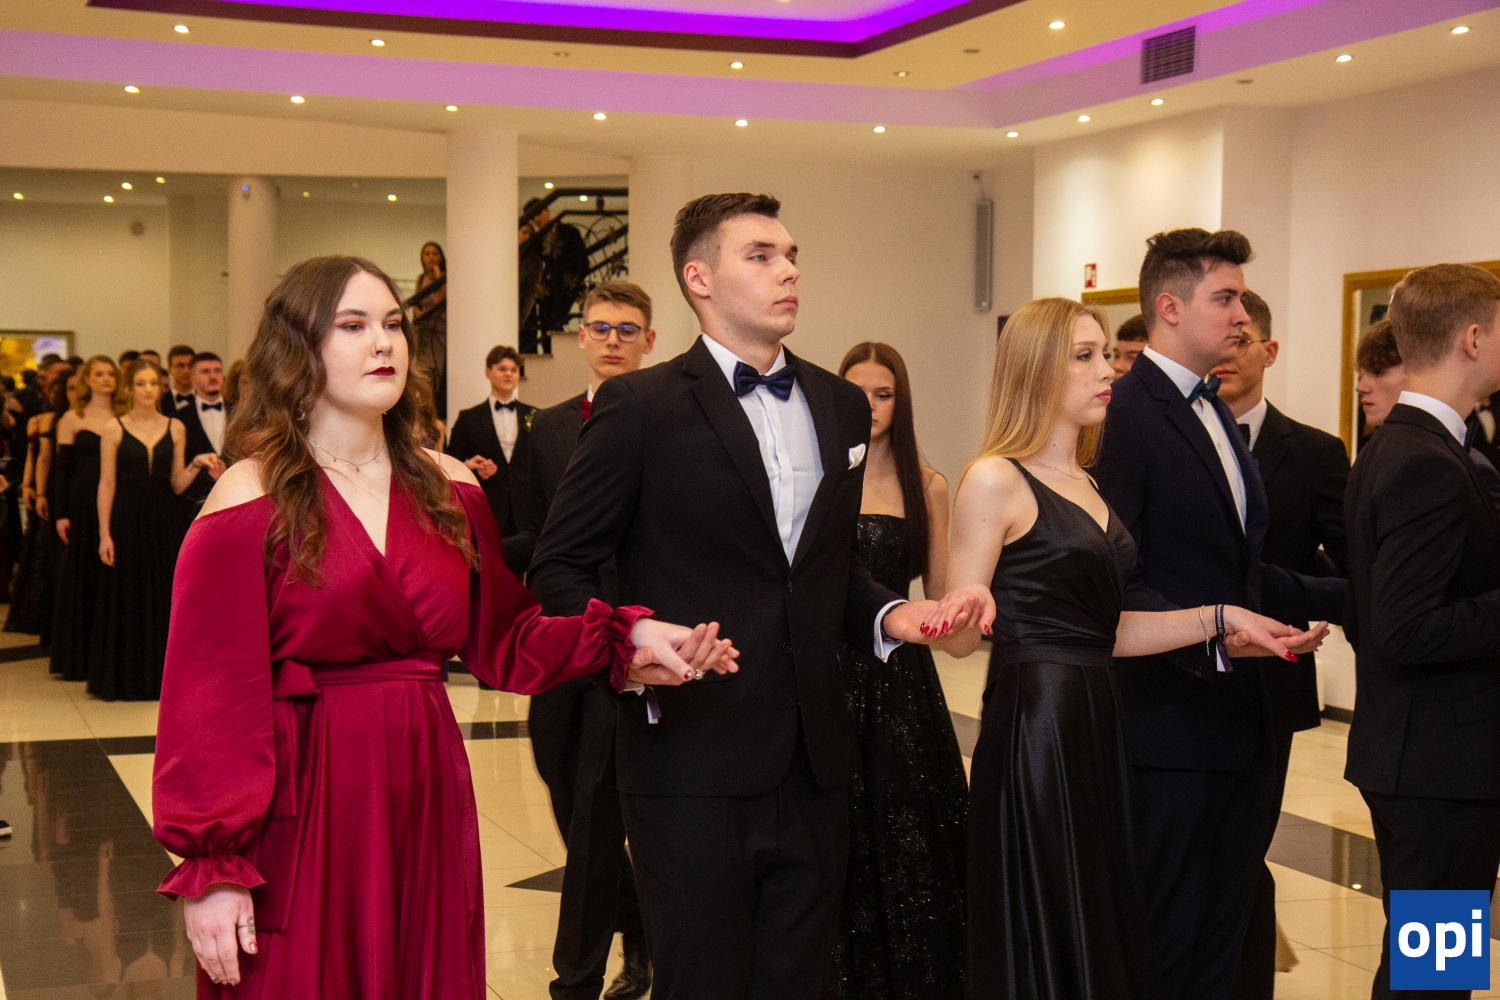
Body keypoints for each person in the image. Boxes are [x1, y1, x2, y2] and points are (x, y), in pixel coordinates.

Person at [149, 254, 739, 997]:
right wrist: (213, 868)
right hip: (308, 792)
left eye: (393, 324)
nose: (384, 343)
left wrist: (627, 639)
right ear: (298, 348)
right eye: (353, 325)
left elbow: (507, 638)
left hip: (423, 781)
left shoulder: (449, 486)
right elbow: (208, 696)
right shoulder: (249, 494)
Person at [529, 192, 987, 1000]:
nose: (789, 271)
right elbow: (559, 568)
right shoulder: (640, 408)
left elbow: (823, 570)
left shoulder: (839, 405)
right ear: (699, 278)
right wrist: (632, 642)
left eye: (792, 255)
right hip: (691, 757)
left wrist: (893, 613)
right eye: (762, 256)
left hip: (816, 760)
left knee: (801, 982)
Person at [939, 296, 1322, 1000]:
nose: (1106, 370)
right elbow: (961, 639)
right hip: (1038, 724)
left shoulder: (1087, 481)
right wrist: (961, 610)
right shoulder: (996, 477)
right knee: (1047, 904)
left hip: (1097, 713)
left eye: (1104, 354)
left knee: (1098, 907)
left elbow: (1108, 630)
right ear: (1037, 371)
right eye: (1083, 357)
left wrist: (1221, 620)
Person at [1091, 229, 1342, 1000]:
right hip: (1169, 722)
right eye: (1225, 299)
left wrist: (1348, 599)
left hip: (1240, 717)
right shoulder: (1127, 414)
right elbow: (1118, 576)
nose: (1241, 316)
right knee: (1167, 939)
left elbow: (1238, 569)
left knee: (1221, 937)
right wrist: (1220, 634)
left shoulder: (1217, 415)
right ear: (1169, 308)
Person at [1342, 263, 1500, 1000]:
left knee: (1429, 972)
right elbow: (1404, 627)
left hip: (1427, 759)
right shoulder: (1424, 461)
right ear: (1472, 338)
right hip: (1439, 768)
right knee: (1433, 979)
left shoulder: (1401, 445)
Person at [1212, 289, 1350, 998]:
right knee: (1210, 850)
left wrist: (1319, 607)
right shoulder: (1185, 438)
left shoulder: (1318, 452)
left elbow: (1352, 566)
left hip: (1274, 677)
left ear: (1269, 351)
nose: (1364, 387)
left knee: (1245, 849)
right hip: (1191, 668)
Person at [522, 280, 656, 1000]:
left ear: (649, 341)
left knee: (597, 811)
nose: (612, 340)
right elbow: (529, 533)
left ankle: (574, 981)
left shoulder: (667, 421)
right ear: (580, 337)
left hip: (634, 639)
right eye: (600, 327)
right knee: (562, 789)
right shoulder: (546, 428)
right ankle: (639, 925)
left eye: (627, 329)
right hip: (560, 642)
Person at [826, 341, 968, 1000]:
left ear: (900, 401)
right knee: (839, 829)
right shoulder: (820, 473)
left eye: (883, 394)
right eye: (857, 393)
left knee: (910, 827)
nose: (870, 406)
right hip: (830, 671)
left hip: (902, 681)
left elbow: (940, 593)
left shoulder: (928, 484)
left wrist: (970, 616)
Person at [88, 360, 203, 702]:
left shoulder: (176, 427)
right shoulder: (113, 427)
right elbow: (106, 483)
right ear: (129, 388)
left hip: (164, 521)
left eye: (154, 383)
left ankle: (162, 681)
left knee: (163, 594)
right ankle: (124, 679)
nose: (149, 389)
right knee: (127, 595)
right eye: (141, 383)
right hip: (126, 520)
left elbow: (177, 484)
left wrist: (197, 465)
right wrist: (104, 533)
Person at [49, 356, 119, 681]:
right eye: (99, 374)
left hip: (115, 501)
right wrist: (61, 513)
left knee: (111, 572)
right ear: (87, 380)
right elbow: (61, 471)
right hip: (81, 503)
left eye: (110, 374)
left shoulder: (123, 416)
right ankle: (80, 657)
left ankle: (109, 653)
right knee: (83, 573)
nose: (106, 379)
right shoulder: (71, 418)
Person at [445, 345, 535, 574]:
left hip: (526, 510)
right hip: (488, 507)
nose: (508, 374)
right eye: (502, 368)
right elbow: (450, 463)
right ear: (488, 373)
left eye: (514, 370)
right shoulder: (469, 418)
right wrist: (471, 467)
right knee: (488, 573)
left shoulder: (534, 415)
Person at [176, 352, 229, 510]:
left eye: (217, 370)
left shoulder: (240, 412)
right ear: (192, 378)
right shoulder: (177, 419)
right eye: (205, 371)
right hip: (193, 507)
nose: (213, 376)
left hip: (234, 500)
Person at [412, 241, 448, 418]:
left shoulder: (445, 277)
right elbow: (415, 303)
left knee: (438, 368)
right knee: (423, 369)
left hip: (439, 327)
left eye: (435, 253)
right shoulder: (420, 278)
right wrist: (417, 313)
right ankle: (424, 410)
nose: (431, 257)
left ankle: (437, 410)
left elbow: (438, 300)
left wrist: (438, 275)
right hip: (423, 329)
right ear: (422, 258)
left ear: (441, 257)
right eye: (427, 254)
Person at [162, 345, 197, 415]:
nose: (186, 370)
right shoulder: (160, 402)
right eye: (180, 366)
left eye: (190, 365)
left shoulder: (206, 399)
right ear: (169, 370)